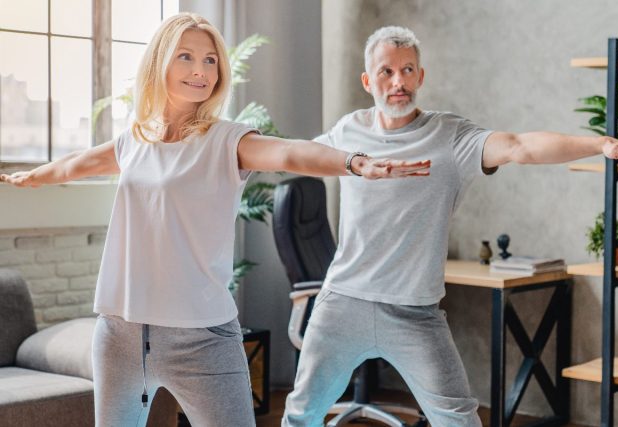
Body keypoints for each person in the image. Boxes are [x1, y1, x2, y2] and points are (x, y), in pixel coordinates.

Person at [0, 14, 431, 427]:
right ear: (159, 62)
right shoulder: (135, 139)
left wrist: (353, 162)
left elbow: (289, 152)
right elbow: (79, 164)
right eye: (186, 56)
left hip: (201, 339)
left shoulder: (227, 140)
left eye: (210, 60)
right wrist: (30, 176)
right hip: (119, 334)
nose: (201, 70)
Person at [281, 26, 618, 427]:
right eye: (386, 72)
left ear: (421, 76)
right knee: (302, 414)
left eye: (407, 70)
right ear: (368, 81)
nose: (398, 82)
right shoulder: (348, 131)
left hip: (415, 312)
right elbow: (296, 155)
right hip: (343, 302)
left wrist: (598, 144)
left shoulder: (450, 137)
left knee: (459, 420)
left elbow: (520, 146)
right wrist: (229, 151)